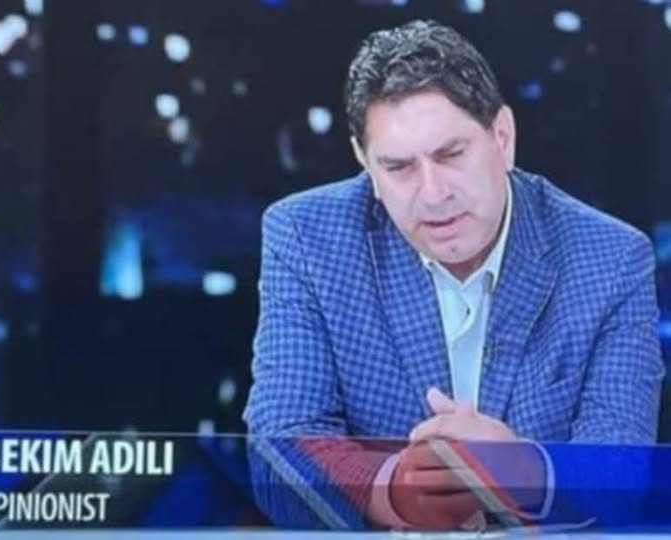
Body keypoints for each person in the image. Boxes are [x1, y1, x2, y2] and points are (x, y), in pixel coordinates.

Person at [243, 19, 665, 530]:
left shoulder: (611, 258)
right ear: (365, 163)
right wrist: (394, 492)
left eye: (451, 155)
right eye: (398, 167)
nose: (433, 194)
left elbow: (622, 471)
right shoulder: (308, 238)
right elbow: (282, 443)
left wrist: (527, 472)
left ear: (502, 138)